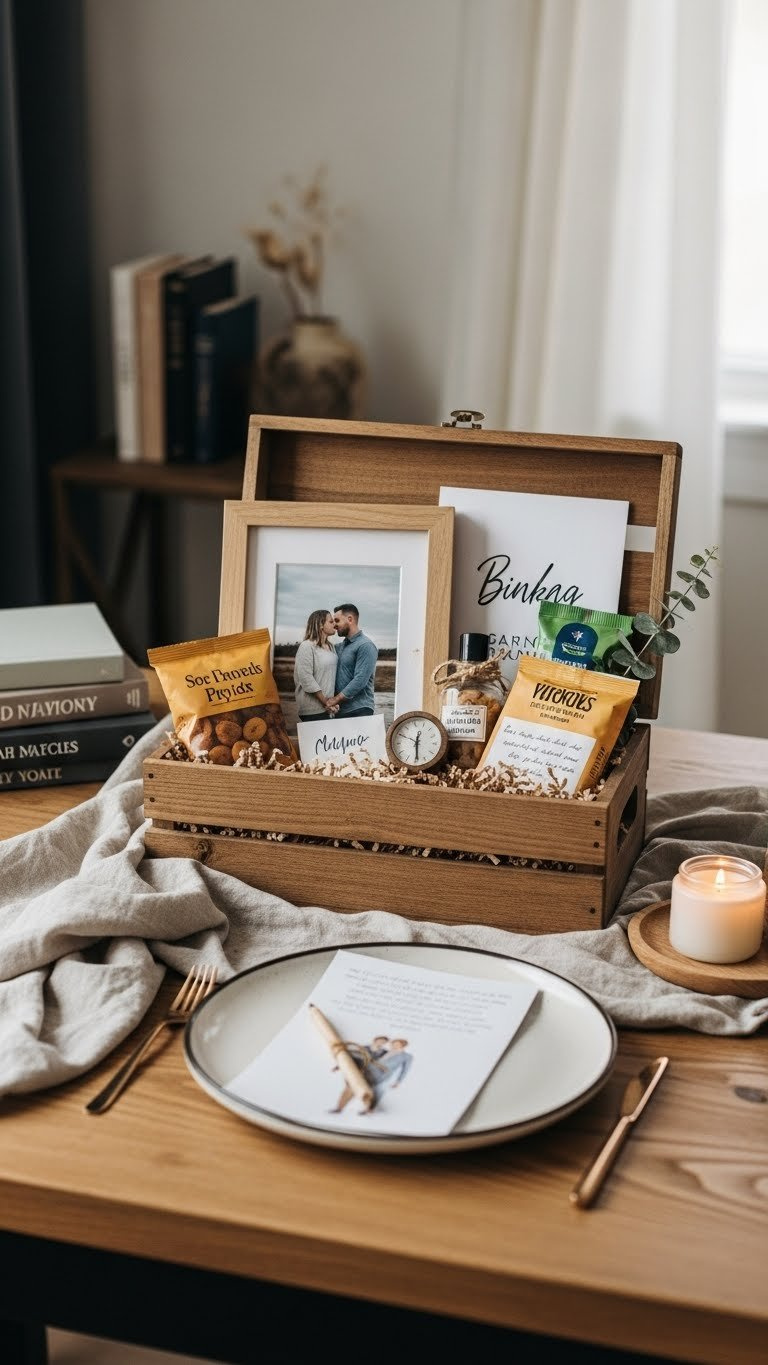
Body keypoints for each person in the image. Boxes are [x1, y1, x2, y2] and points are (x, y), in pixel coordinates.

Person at [329, 1038, 413, 1115]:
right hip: (367, 1069)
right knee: (351, 1086)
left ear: (403, 1045)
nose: (394, 1045)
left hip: (380, 1075)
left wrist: (398, 1081)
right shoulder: (385, 1051)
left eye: (396, 1044)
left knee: (365, 1090)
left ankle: (368, 1109)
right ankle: (339, 1108)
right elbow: (368, 1057)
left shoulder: (407, 1056)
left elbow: (405, 1070)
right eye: (393, 1044)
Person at [326, 603, 379, 718]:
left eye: (337, 620)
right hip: (340, 711)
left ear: (350, 619)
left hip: (360, 710)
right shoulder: (338, 647)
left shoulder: (366, 645)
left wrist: (335, 700)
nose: (334, 625)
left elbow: (360, 680)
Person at [293, 609, 339, 722]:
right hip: (312, 710)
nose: (335, 624)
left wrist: (334, 702)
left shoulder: (331, 647)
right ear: (320, 625)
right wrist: (326, 702)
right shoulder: (307, 646)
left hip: (329, 709)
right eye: (331, 621)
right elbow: (306, 678)